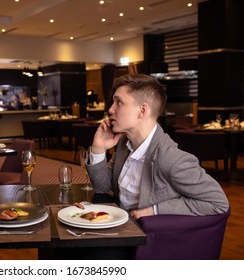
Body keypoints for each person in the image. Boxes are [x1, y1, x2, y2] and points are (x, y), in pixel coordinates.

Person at [86, 73, 229, 220]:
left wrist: (154, 210)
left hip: (150, 237)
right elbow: (101, 187)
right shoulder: (124, 144)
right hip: (118, 227)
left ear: (142, 110)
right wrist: (98, 149)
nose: (111, 109)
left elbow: (218, 202)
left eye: (119, 102)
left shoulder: (172, 159)